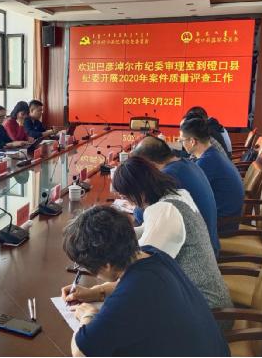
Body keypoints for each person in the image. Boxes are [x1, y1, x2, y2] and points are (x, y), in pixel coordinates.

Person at [61, 205, 230, 357]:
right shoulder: (152, 254)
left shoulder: (130, 296)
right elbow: (129, 286)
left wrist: (88, 315)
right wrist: (96, 292)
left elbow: (81, 352)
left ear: (106, 265)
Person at [109, 156, 232, 314]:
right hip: (209, 299)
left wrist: (100, 288)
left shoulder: (164, 211)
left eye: (127, 197)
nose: (130, 203)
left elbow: (138, 268)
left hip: (206, 312)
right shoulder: (177, 195)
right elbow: (146, 230)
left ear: (140, 191)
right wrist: (113, 234)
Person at [131, 136, 220, 256]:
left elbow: (142, 216)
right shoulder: (188, 163)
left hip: (195, 252)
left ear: (151, 165)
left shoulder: (168, 176)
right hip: (207, 242)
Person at [180, 117, 244, 232]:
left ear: (192, 141)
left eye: (182, 140)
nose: (182, 144)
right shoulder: (212, 154)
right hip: (228, 216)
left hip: (223, 223)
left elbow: (187, 193)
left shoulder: (207, 162)